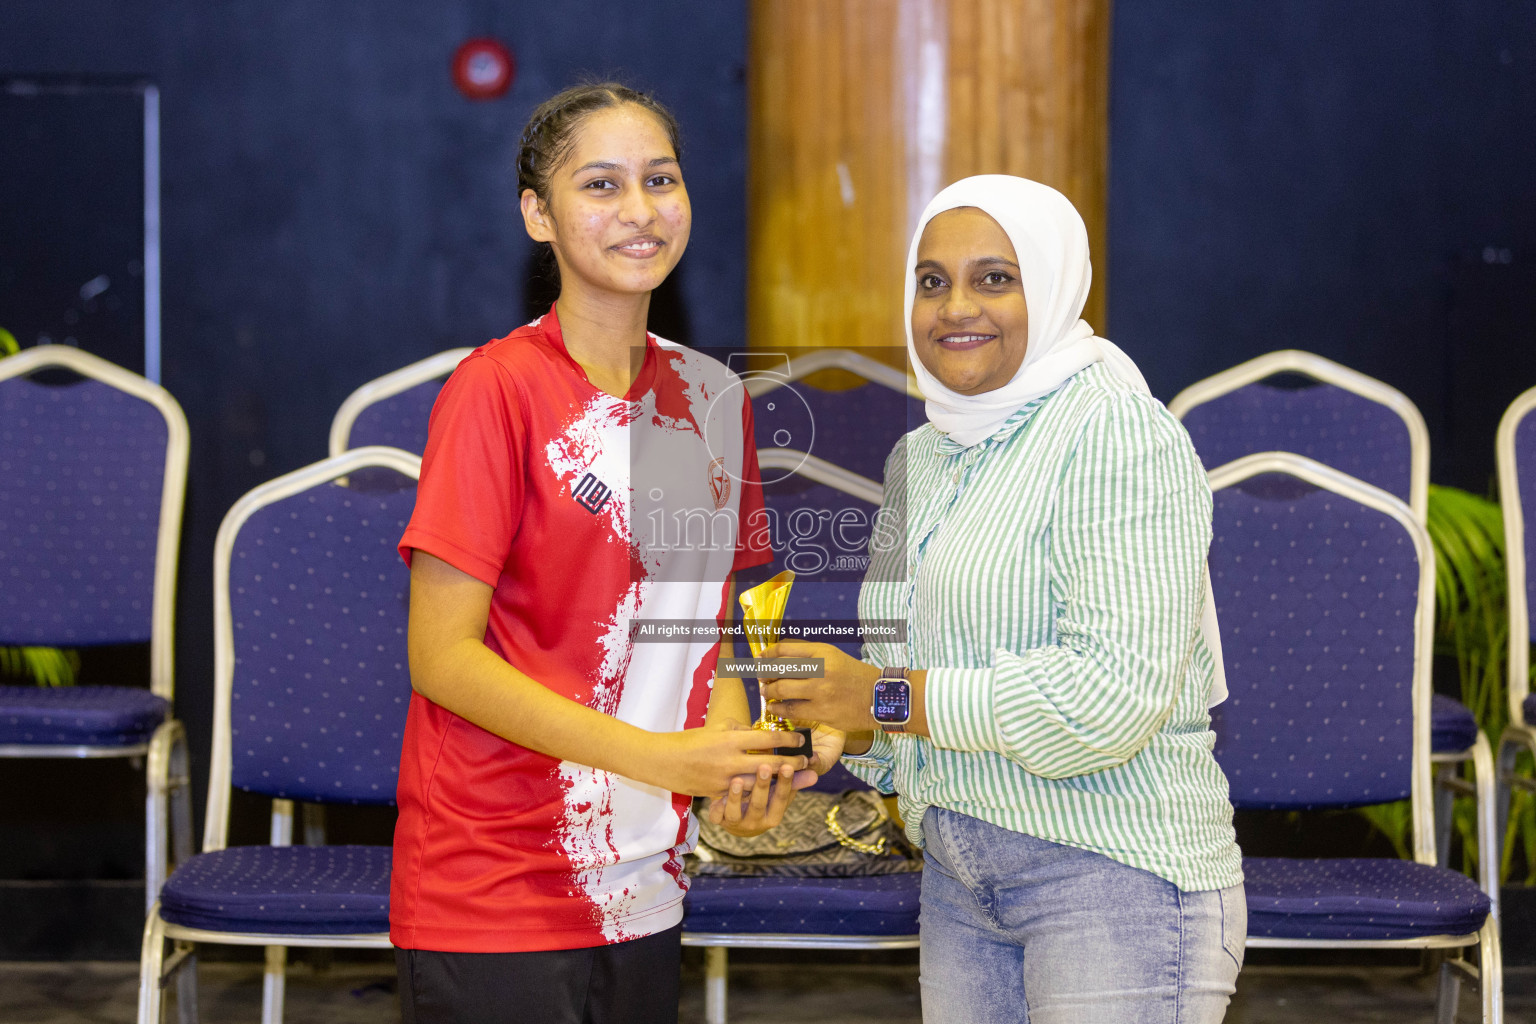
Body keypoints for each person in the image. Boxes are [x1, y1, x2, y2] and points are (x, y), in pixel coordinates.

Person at [761, 175, 1246, 1023]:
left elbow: (1110, 698)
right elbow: (908, 690)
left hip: (1113, 877)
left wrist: (878, 695)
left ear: (1054, 287)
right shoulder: (921, 454)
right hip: (958, 880)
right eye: (932, 280)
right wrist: (836, 729)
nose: (956, 307)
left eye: (995, 278)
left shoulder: (1119, 433)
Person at [391, 83, 812, 1024]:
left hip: (646, 883)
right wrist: (667, 756)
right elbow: (442, 655)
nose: (639, 211)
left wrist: (735, 761)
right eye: (601, 185)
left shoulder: (710, 397)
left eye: (660, 180)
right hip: (494, 885)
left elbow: (713, 623)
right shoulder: (492, 391)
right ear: (538, 215)